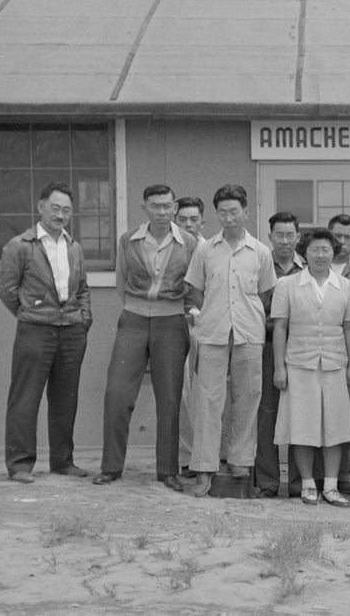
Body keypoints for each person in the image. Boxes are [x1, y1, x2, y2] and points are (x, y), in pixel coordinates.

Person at [93, 185, 196, 491]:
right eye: (155, 206)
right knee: (117, 395)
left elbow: (194, 284)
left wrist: (176, 309)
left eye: (167, 206)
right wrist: (140, 307)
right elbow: (121, 282)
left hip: (171, 322)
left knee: (169, 398)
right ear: (144, 208)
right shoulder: (129, 240)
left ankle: (167, 471)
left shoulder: (188, 242)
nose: (162, 212)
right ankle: (111, 467)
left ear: (174, 207)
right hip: (135, 319)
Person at [0, 181, 92, 483]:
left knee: (66, 399)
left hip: (71, 333)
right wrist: (29, 315)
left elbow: (84, 289)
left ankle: (63, 462)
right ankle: (20, 465)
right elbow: (6, 291)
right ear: (40, 207)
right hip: (35, 332)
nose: (60, 215)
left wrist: (83, 320)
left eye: (66, 210)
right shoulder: (19, 247)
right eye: (55, 208)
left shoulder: (74, 247)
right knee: (25, 399)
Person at [184, 184, 277, 497]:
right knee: (207, 401)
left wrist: (247, 316)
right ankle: (204, 468)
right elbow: (196, 288)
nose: (228, 218)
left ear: (246, 212)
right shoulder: (205, 249)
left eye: (234, 211)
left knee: (247, 398)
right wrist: (212, 311)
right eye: (222, 212)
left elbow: (265, 294)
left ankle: (239, 460)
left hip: (249, 333)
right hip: (212, 333)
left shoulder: (261, 252)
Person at [271, 229, 350, 507]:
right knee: (302, 424)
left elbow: (349, 328)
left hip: (335, 363)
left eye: (326, 250)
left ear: (334, 252)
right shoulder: (287, 285)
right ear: (303, 253)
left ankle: (331, 486)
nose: (320, 255)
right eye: (314, 250)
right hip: (298, 363)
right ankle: (308, 484)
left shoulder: (347, 287)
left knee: (335, 424)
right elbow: (280, 327)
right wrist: (279, 367)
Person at [254, 212, 305, 498]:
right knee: (266, 415)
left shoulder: (307, 268)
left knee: (299, 415)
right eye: (279, 235)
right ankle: (268, 482)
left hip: (299, 348)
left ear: (298, 237)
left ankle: (299, 482)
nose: (285, 240)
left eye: (290, 235)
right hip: (265, 344)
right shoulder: (261, 266)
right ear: (270, 236)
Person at [173, 195, 206, 477]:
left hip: (208, 325)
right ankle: (187, 456)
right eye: (182, 219)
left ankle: (212, 455)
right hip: (178, 322)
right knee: (182, 392)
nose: (188, 224)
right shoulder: (170, 248)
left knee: (209, 392)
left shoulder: (213, 249)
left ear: (202, 221)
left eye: (193, 219)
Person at [328, 213, 350, 278]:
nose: (341, 241)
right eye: (337, 236)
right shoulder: (312, 265)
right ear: (328, 236)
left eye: (348, 237)